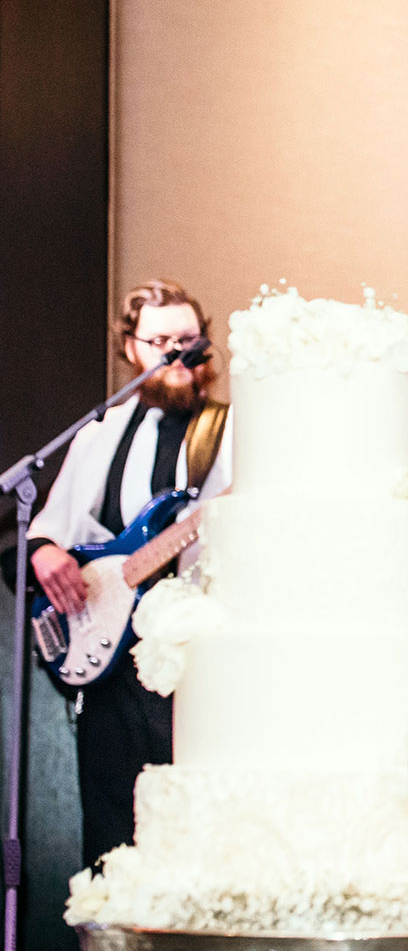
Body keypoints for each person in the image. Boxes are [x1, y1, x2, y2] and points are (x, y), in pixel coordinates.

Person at [26, 278, 232, 867]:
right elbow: (50, 527)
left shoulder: (232, 431)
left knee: (193, 817)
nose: (178, 353)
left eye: (188, 339)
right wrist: (44, 552)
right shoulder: (100, 434)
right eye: (161, 342)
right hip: (112, 662)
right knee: (112, 823)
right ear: (131, 349)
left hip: (198, 660)